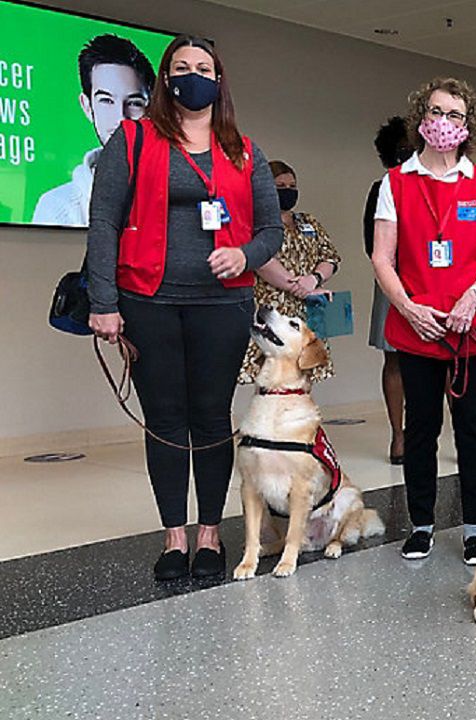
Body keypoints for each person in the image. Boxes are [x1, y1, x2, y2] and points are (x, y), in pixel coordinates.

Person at [85, 35, 284, 580]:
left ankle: (211, 535)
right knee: (166, 422)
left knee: (211, 419)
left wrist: (243, 254)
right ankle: (175, 537)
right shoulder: (131, 140)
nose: (192, 75)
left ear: (218, 81)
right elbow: (103, 223)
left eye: (203, 67)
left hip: (222, 305)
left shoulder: (244, 150)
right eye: (181, 66)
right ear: (165, 79)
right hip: (147, 300)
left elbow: (271, 232)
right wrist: (103, 301)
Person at [370, 77, 476, 566]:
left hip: (472, 329)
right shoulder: (395, 183)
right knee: (422, 428)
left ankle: (475, 527)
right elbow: (382, 258)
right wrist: (409, 308)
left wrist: (473, 298)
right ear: (421, 118)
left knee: (474, 426)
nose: (444, 123)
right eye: (436, 112)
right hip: (420, 328)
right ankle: (422, 524)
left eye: (455, 115)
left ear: (467, 125)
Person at [33, 34, 155, 226]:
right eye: (106, 100)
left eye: (134, 103)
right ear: (87, 106)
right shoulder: (57, 208)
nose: (121, 118)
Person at [238, 160, 341, 384]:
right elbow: (261, 259)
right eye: (280, 186)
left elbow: (330, 257)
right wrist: (299, 288)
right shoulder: (255, 224)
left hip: (308, 309)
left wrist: (314, 279)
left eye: (292, 186)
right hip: (273, 310)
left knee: (305, 374)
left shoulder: (308, 222)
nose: (288, 191)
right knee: (272, 379)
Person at [364, 117, 415, 465]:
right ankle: (399, 437)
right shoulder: (383, 188)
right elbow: (373, 245)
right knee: (395, 359)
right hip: (396, 279)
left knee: (442, 363)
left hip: (424, 283)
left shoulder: (437, 185)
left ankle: (409, 437)